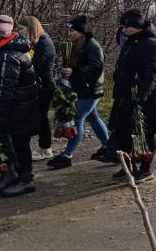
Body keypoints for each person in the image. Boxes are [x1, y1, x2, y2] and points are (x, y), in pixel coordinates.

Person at [0, 15, 40, 196]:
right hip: (19, 106)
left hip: (19, 108)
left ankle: (25, 179)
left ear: (0, 35)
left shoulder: (9, 55)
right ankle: (13, 174)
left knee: (20, 144)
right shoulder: (7, 50)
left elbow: (6, 89)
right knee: (12, 143)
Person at [47, 15, 113, 169]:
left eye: (72, 30)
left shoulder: (92, 46)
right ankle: (109, 147)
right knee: (94, 118)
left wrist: (74, 71)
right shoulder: (78, 44)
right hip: (82, 89)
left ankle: (67, 155)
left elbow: (96, 68)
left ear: (81, 31)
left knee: (77, 120)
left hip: (91, 90)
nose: (69, 33)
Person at [108, 9, 156, 182]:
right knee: (123, 132)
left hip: (145, 95)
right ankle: (129, 165)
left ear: (137, 26)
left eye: (126, 26)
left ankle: (146, 169)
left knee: (145, 133)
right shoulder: (131, 41)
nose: (123, 30)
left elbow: (151, 72)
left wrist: (141, 96)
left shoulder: (151, 43)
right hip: (126, 94)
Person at [18, 17, 56, 161]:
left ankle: (45, 149)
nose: (20, 32)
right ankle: (43, 147)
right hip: (39, 85)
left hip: (45, 86)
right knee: (38, 117)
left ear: (31, 28)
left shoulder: (44, 43)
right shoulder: (36, 43)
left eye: (22, 29)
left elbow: (37, 64)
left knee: (41, 117)